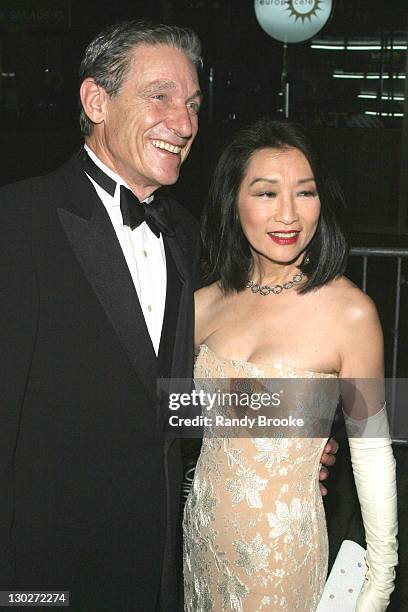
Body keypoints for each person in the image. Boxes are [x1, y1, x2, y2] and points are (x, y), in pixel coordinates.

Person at [0, 21, 337, 612]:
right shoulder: (19, 221)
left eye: (193, 105)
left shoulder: (181, 232)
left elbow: (170, 396)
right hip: (46, 566)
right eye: (160, 97)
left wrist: (289, 432)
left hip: (158, 561)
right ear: (95, 100)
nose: (184, 124)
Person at [183, 118, 398, 611]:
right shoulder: (202, 305)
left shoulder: (350, 312)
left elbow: (372, 454)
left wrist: (379, 584)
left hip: (282, 555)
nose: (288, 215)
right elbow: (179, 418)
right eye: (265, 193)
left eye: (305, 193)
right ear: (232, 203)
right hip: (201, 541)